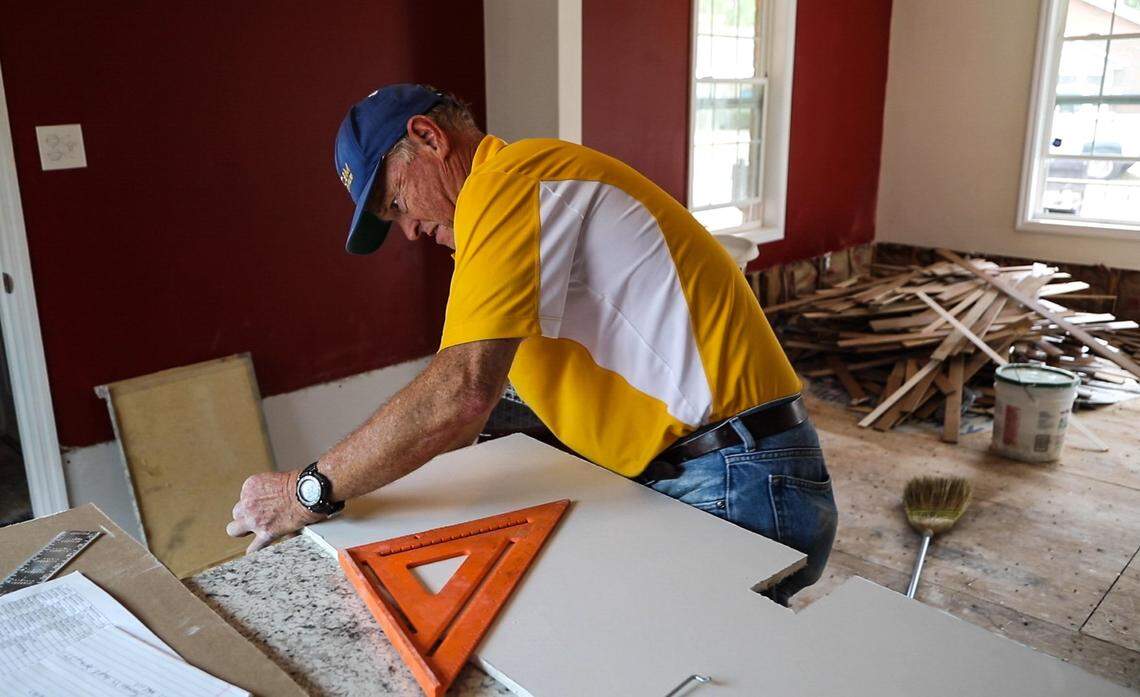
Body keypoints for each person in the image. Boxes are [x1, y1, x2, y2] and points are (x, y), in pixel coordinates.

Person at [227, 84, 837, 604]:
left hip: (738, 478)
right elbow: (475, 403)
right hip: (727, 468)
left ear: (430, 139)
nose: (408, 229)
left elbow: (459, 396)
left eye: (396, 202)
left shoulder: (508, 182)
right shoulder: (515, 203)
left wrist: (305, 490)